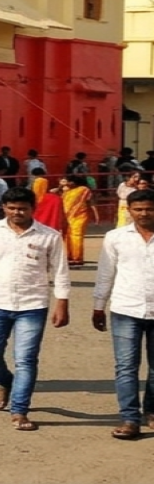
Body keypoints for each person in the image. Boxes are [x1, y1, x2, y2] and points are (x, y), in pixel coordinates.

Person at [0, 187, 71, 432]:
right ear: (4, 208)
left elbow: (60, 271)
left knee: (26, 360)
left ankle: (20, 410)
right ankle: (6, 382)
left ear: (32, 209)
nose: (17, 212)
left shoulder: (49, 236)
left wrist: (62, 302)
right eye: (12, 208)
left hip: (33, 305)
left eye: (23, 208)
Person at [92, 188, 154, 440]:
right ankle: (129, 418)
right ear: (129, 211)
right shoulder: (116, 237)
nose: (143, 214)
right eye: (138, 209)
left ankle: (151, 411)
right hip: (126, 309)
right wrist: (99, 305)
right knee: (126, 366)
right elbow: (106, 272)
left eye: (149, 209)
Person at [58, 175, 97, 267]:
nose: (67, 183)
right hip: (67, 217)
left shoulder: (84, 190)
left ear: (74, 182)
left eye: (68, 181)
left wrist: (96, 214)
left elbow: (91, 202)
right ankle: (68, 256)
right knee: (67, 236)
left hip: (80, 216)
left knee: (76, 236)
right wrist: (60, 187)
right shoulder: (66, 191)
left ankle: (77, 258)